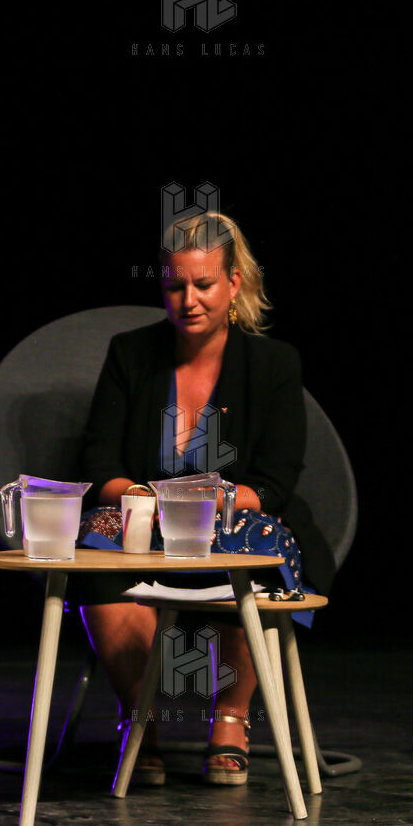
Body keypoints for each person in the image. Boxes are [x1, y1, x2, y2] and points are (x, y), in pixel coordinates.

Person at [78, 211, 316, 787]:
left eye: (203, 284)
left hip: (237, 517)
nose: (188, 300)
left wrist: (207, 508)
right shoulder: (130, 353)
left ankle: (231, 719)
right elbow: (100, 466)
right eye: (174, 286)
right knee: (94, 543)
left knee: (257, 545)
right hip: (147, 517)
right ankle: (143, 722)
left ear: (234, 283)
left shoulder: (274, 363)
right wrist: (149, 502)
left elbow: (275, 483)